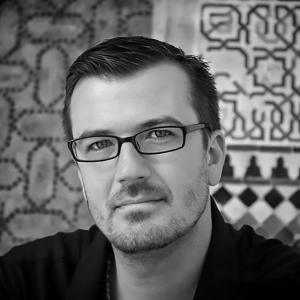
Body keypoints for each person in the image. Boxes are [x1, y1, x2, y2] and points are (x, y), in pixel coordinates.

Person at [0, 36, 300, 300]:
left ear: (212, 156)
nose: (129, 171)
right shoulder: (20, 283)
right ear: (80, 172)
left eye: (159, 134)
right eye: (100, 144)